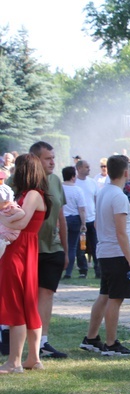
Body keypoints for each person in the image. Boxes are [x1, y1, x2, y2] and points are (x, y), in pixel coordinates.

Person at [79, 155, 130, 356]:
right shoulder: (119, 196)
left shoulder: (104, 191)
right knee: (115, 299)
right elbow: (121, 232)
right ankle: (111, 344)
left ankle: (91, 338)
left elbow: (99, 224)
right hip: (117, 254)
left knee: (104, 296)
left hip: (105, 251)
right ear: (126, 173)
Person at [0, 154, 51, 372]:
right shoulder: (35, 194)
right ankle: (33, 359)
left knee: (15, 304)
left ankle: (14, 361)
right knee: (28, 304)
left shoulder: (31, 194)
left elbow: (21, 222)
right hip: (27, 250)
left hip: (19, 251)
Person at [29, 142, 69, 359]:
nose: (53, 162)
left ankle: (43, 342)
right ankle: (10, 334)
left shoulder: (55, 180)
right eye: (47, 158)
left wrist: (65, 249)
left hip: (51, 247)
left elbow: (61, 216)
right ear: (35, 159)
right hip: (26, 247)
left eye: (53, 157)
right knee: (25, 294)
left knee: (46, 293)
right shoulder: (18, 181)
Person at [61, 166, 87, 280]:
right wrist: (84, 223)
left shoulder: (60, 188)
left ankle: (59, 269)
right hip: (74, 219)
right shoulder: (77, 190)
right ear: (72, 177)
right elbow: (81, 209)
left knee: (61, 245)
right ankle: (68, 271)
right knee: (72, 247)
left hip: (62, 218)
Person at [75, 160, 99, 278]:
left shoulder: (92, 183)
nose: (89, 169)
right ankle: (83, 270)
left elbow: (96, 199)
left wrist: (97, 216)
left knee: (96, 245)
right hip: (79, 219)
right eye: (86, 167)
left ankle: (98, 270)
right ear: (79, 168)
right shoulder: (74, 183)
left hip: (92, 218)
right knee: (80, 247)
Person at [0, 183, 23, 258]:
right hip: (3, 230)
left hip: (10, 233)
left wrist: (10, 219)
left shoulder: (11, 208)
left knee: (1, 240)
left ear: (6, 202)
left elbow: (21, 213)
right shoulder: (2, 208)